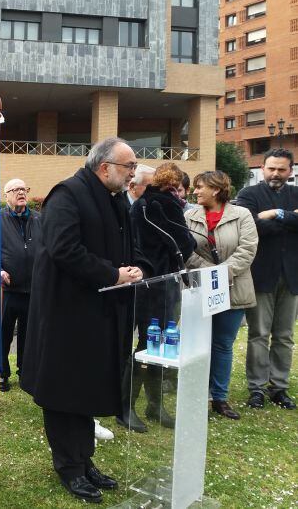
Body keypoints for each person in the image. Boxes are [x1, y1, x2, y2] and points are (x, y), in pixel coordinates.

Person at [21, 138, 151, 504]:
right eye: (128, 166)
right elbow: (64, 249)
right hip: (67, 316)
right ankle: (69, 467)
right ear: (105, 167)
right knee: (65, 393)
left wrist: (134, 267)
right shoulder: (68, 194)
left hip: (98, 314)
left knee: (87, 390)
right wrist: (112, 274)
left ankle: (84, 459)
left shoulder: (112, 199)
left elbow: (123, 246)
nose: (133, 173)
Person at [117, 163, 196, 432]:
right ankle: (133, 406)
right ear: (172, 184)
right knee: (153, 345)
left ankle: (143, 405)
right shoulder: (166, 204)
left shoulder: (139, 204)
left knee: (151, 344)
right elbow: (186, 243)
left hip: (145, 284)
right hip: (162, 284)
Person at [185, 171, 258, 420]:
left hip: (234, 287)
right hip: (199, 288)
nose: (195, 192)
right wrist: (209, 273)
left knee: (223, 345)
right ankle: (198, 395)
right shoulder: (189, 216)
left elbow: (248, 249)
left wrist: (222, 274)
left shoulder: (242, 215)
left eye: (200, 187)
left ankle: (220, 397)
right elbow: (185, 249)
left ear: (216, 189)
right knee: (199, 344)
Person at [236, 148, 298, 410]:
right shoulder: (249, 194)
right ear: (262, 168)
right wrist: (290, 217)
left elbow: (265, 223)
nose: (275, 173)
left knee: (284, 335)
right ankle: (257, 388)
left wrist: (274, 214)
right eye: (271, 168)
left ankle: (279, 387)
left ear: (290, 171)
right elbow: (252, 226)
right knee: (259, 334)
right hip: (261, 274)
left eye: (281, 169)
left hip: (292, 275)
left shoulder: (296, 193)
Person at [0, 178, 42, 392]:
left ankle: (25, 374)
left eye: (24, 188)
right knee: (3, 334)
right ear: (6, 195)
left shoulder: (38, 219)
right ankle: (1, 374)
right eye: (15, 189)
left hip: (33, 290)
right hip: (8, 290)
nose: (21, 192)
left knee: (29, 336)